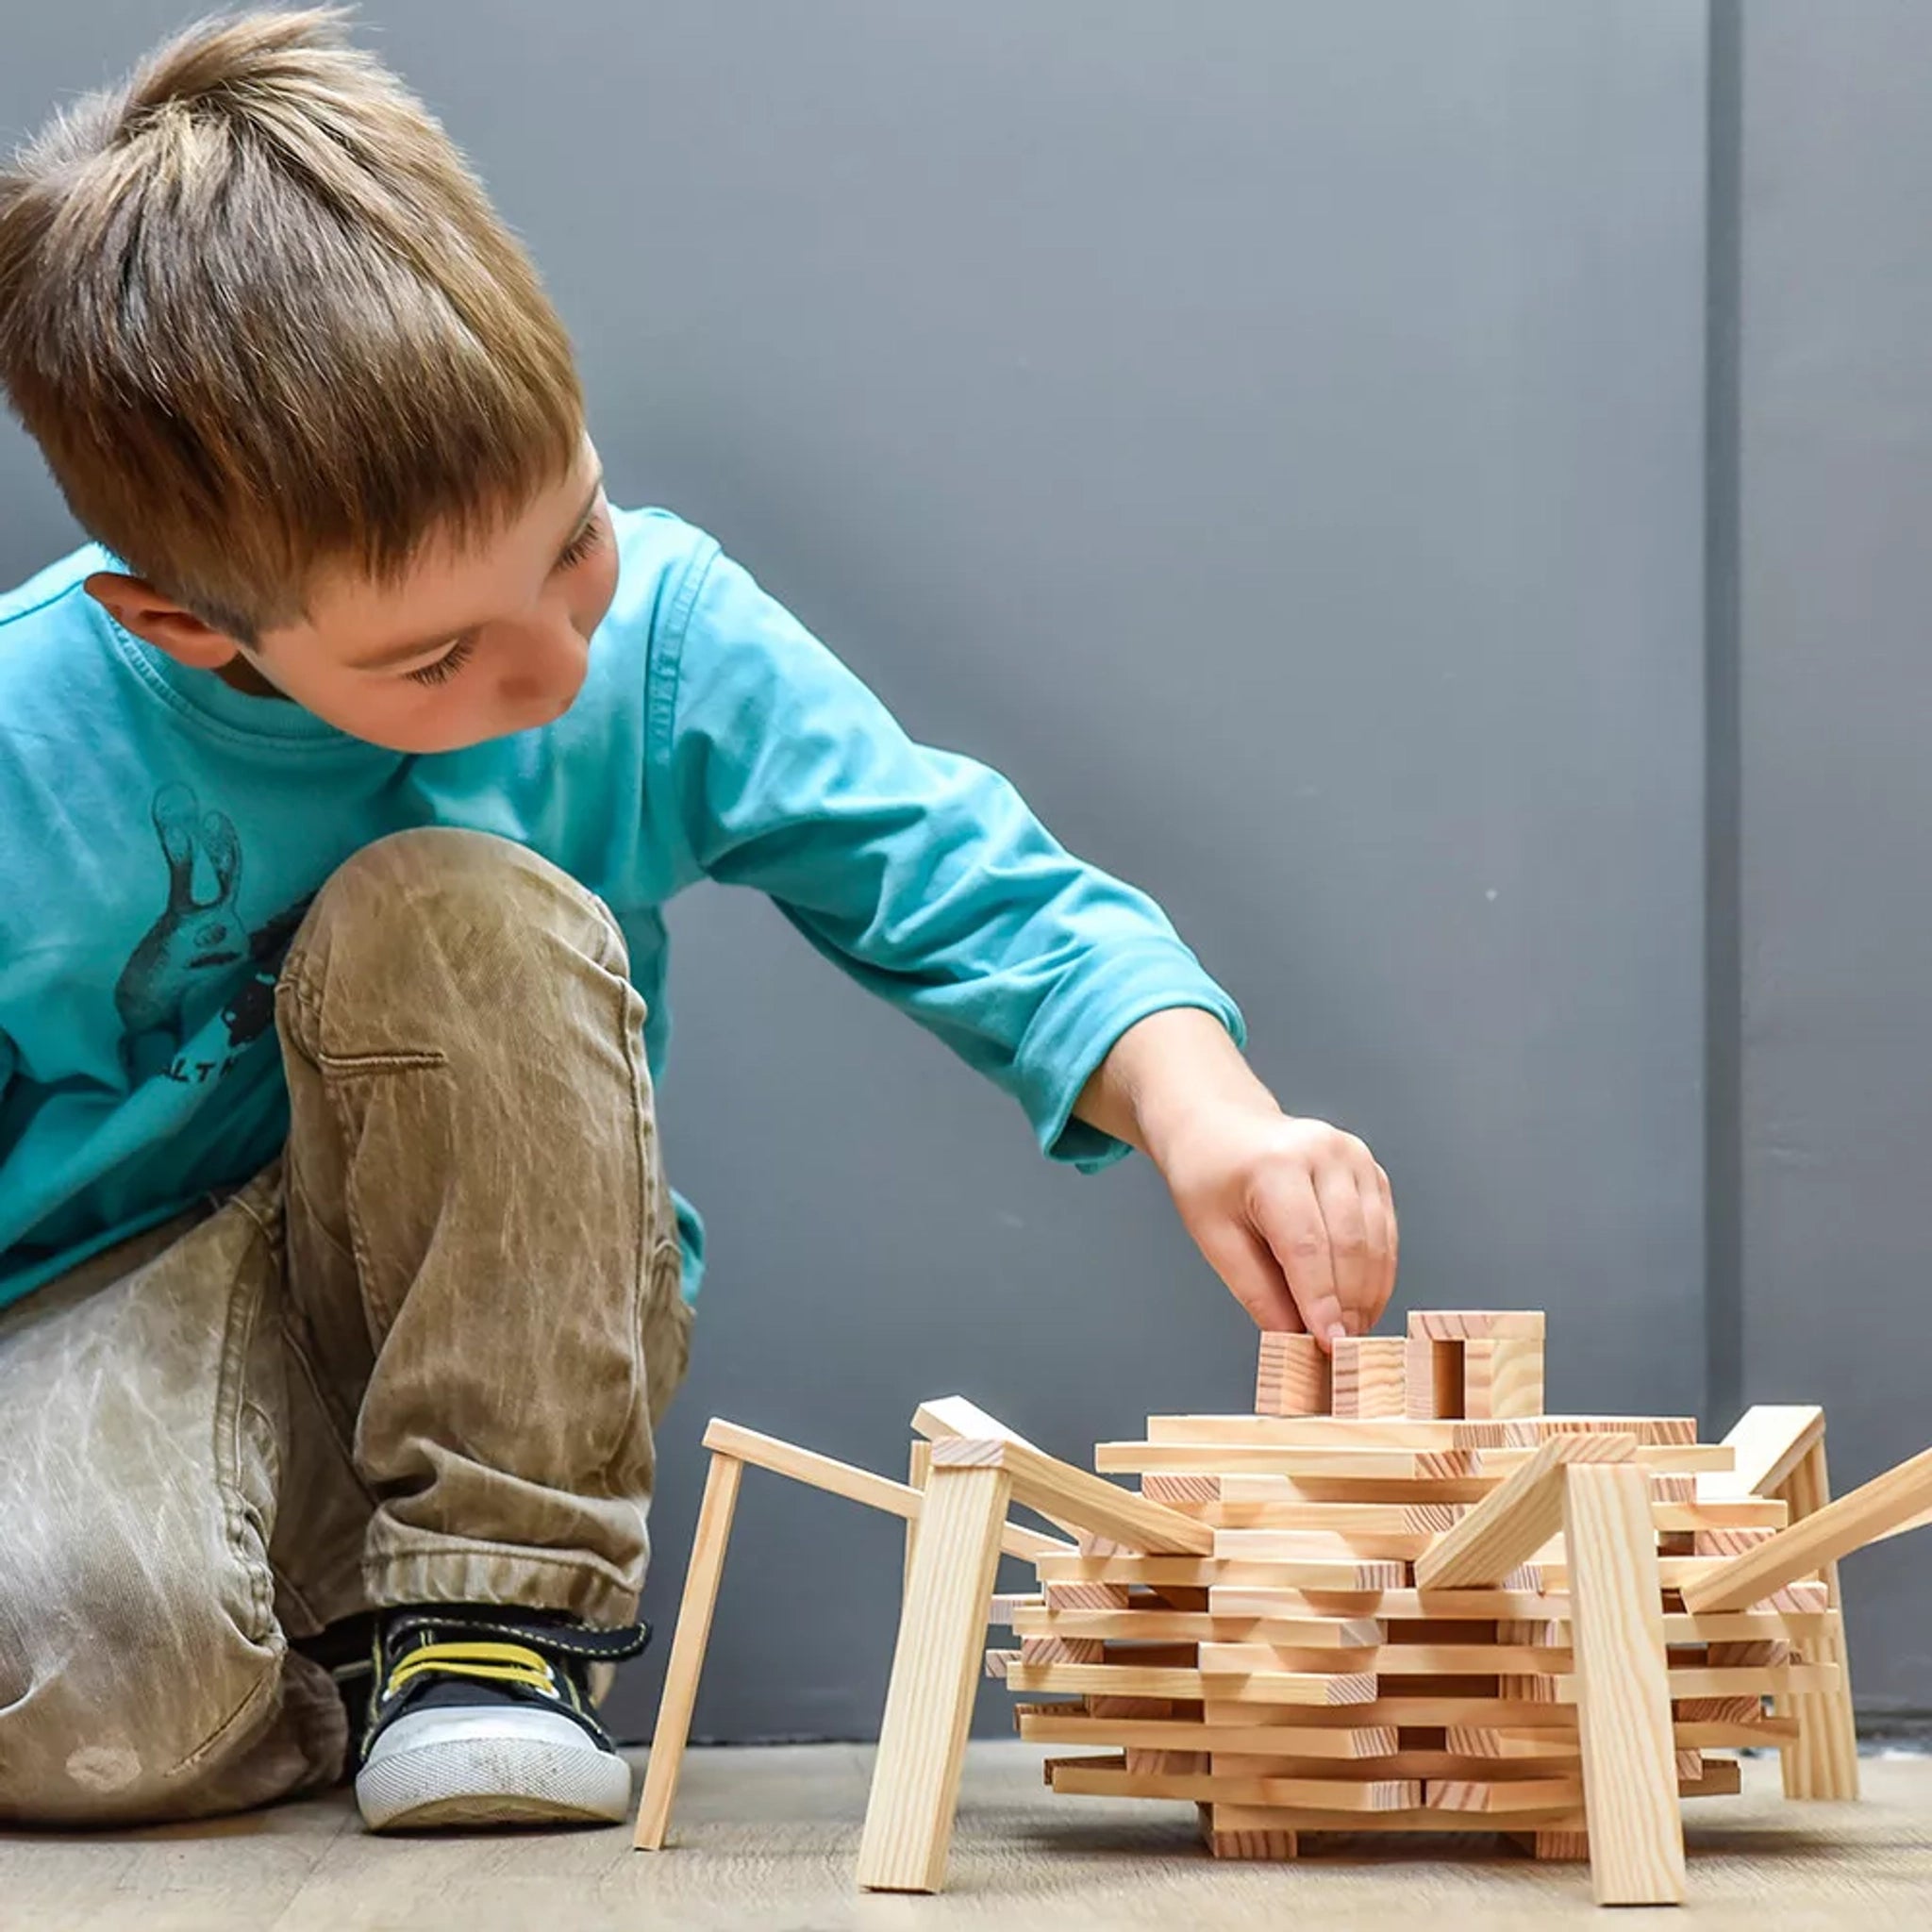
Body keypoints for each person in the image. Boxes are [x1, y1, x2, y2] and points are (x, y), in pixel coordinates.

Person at [0, 9, 1397, 1833]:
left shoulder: (658, 636)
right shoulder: (39, 747)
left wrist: (1210, 1110)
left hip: (504, 1314)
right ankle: (313, 1649)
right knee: (101, 1723)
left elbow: (953, 872)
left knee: (456, 907)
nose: (556, 661)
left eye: (571, 539)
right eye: (436, 656)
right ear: (190, 628)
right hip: (122, 1326)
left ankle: (488, 1625)